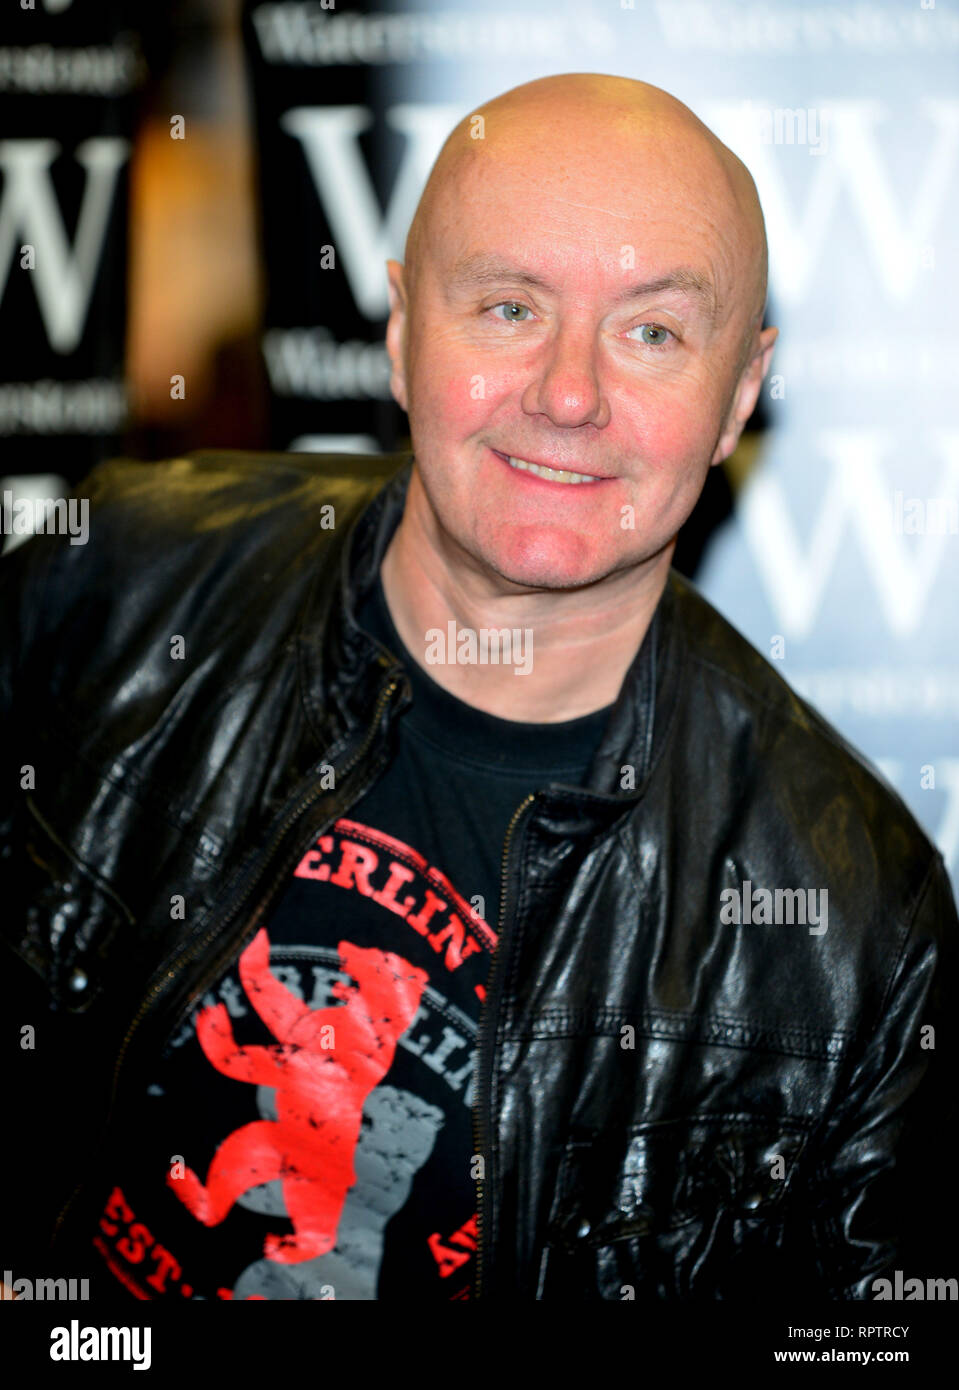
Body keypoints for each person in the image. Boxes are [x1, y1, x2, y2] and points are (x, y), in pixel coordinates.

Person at [1, 73, 955, 1303]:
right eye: (507, 307)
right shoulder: (107, 590)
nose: (567, 394)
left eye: (651, 331)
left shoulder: (856, 928)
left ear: (737, 394)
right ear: (402, 335)